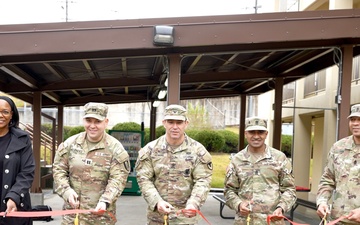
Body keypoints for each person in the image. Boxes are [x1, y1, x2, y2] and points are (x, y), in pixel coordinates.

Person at [53, 102, 130, 225]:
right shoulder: (70, 144)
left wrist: (105, 201)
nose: (92, 126)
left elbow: (118, 179)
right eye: (88, 120)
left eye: (97, 121)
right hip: (72, 216)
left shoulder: (116, 149)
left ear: (106, 122)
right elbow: (58, 170)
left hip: (101, 217)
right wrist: (66, 191)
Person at [135, 104, 213, 225]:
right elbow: (144, 179)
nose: (175, 127)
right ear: (164, 123)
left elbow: (203, 180)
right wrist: (157, 201)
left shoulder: (198, 152)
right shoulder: (150, 150)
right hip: (157, 218)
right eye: (171, 122)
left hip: (186, 218)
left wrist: (194, 203)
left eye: (179, 122)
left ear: (186, 123)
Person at [224, 117, 296, 225]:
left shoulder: (279, 158)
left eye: (261, 132)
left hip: (272, 221)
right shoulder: (236, 160)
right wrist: (238, 204)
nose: (256, 136)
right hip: (245, 221)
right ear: (245, 134)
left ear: (266, 134)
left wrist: (281, 207)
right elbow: (229, 190)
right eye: (252, 132)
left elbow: (289, 189)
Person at [316, 104, 360, 224]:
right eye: (353, 119)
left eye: (359, 120)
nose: (355, 123)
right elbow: (327, 179)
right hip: (338, 220)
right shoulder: (338, 147)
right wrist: (322, 202)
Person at [0, 96, 35, 225]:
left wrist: (14, 196)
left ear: (11, 115)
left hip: (15, 207)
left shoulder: (22, 139)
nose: (1, 115)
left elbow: (27, 172)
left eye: (5, 111)